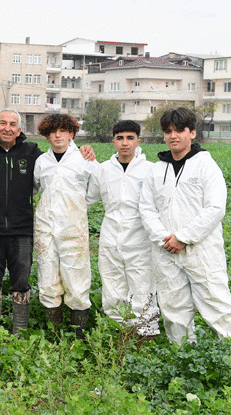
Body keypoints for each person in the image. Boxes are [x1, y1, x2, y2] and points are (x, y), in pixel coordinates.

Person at [139, 107, 231, 354]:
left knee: (216, 303)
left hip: (201, 250)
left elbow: (215, 208)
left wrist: (184, 238)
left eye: (179, 130)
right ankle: (184, 355)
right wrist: (165, 239)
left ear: (192, 132)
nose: (173, 136)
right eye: (168, 131)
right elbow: (146, 208)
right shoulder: (157, 170)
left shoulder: (206, 166)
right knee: (173, 306)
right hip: (166, 249)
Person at [0, 110, 94, 335]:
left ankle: (20, 333)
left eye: (13, 124)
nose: (7, 128)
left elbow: (61, 161)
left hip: (22, 230)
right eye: (3, 123)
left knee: (22, 282)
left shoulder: (32, 153)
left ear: (20, 130)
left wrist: (84, 149)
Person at [87, 120, 159, 338]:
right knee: (112, 288)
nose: (124, 143)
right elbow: (87, 198)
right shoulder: (104, 170)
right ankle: (118, 334)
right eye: (120, 138)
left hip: (141, 241)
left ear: (138, 141)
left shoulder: (151, 170)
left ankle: (144, 337)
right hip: (110, 238)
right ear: (113, 141)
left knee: (143, 288)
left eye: (130, 138)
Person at [33, 114, 99, 338]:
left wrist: (78, 203)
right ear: (47, 136)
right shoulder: (42, 162)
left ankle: (77, 337)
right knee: (48, 277)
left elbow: (96, 190)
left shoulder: (85, 159)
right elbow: (34, 188)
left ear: (72, 134)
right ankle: (53, 334)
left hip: (73, 228)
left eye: (63, 131)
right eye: (53, 132)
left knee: (77, 279)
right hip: (45, 228)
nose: (57, 135)